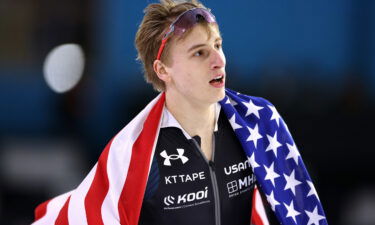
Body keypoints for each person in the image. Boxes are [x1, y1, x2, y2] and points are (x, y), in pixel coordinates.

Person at [32, 0, 328, 225]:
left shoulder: (259, 122)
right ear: (163, 70)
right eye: (199, 53)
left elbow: (301, 211)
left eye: (218, 45)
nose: (218, 61)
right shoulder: (133, 155)